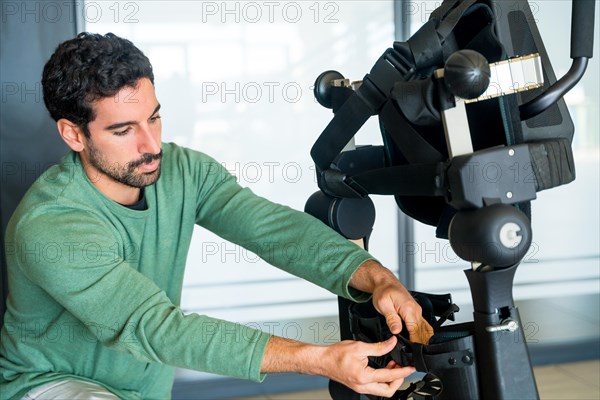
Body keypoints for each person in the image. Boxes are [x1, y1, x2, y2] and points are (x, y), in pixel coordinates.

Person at [0, 32, 433, 400]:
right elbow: (157, 327)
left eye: (154, 118)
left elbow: (272, 230)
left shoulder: (181, 170)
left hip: (141, 384)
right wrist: (317, 359)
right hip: (51, 385)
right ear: (73, 134)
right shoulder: (49, 225)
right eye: (123, 130)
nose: (151, 145)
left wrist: (377, 278)